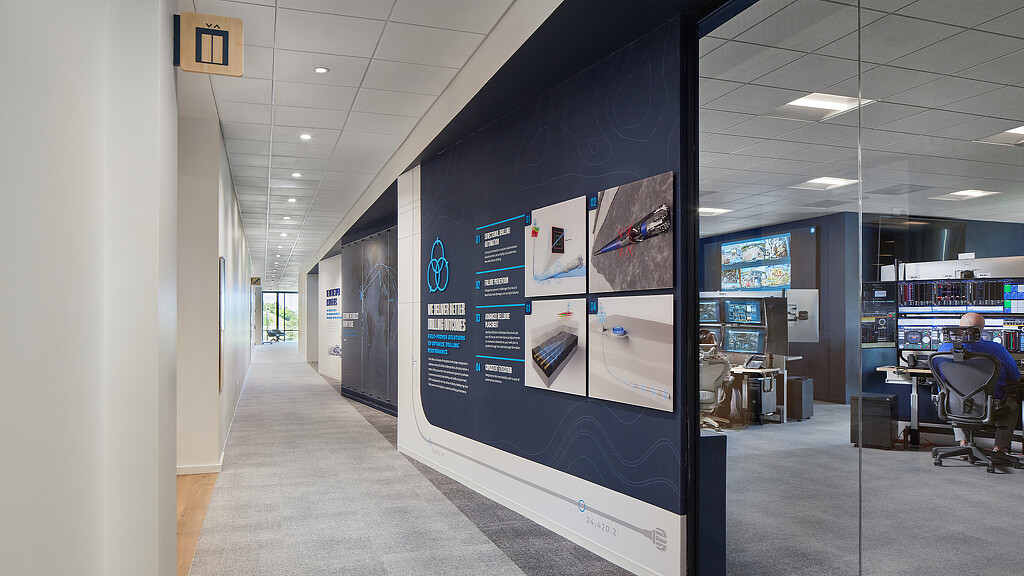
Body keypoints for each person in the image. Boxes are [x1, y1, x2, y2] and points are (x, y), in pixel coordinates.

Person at [936, 313, 1021, 453]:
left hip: (953, 405)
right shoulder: (997, 350)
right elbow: (1016, 377)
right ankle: (999, 449)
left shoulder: (943, 349)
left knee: (954, 397)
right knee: (1013, 405)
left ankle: (963, 443)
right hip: (990, 406)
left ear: (959, 328)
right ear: (982, 329)